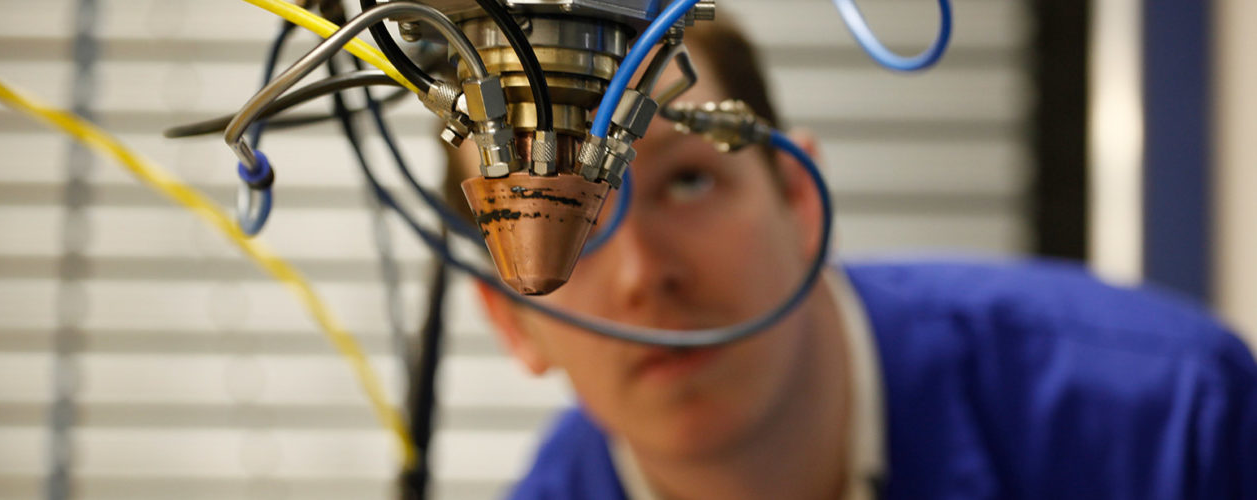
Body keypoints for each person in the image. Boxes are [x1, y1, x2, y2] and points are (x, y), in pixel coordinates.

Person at [442, 18, 1257, 500]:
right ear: (513, 324)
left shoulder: (1170, 420)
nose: (643, 273)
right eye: (562, 225)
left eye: (688, 182)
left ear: (798, 198)